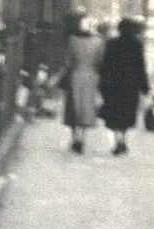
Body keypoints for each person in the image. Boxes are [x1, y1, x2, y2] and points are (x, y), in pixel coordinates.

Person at [99, 17, 150, 155]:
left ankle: (118, 140)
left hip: (114, 85)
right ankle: (122, 140)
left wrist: (102, 84)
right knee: (127, 114)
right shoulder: (137, 45)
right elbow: (141, 66)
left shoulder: (112, 44)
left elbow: (105, 65)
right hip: (130, 86)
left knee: (114, 114)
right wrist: (144, 86)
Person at [62, 14, 105, 153]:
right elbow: (100, 61)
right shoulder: (99, 41)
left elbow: (68, 61)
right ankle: (82, 138)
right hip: (91, 77)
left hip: (75, 76)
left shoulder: (72, 40)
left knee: (74, 107)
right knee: (87, 108)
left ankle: (75, 138)